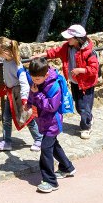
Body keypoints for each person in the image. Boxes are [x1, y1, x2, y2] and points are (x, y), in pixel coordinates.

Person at [27, 58, 75, 193]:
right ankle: (67, 167)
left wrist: (37, 95)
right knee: (53, 146)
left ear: (46, 75)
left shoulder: (54, 86)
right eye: (33, 78)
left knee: (46, 148)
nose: (34, 81)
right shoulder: (37, 80)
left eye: (37, 79)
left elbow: (52, 106)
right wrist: (29, 103)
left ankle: (50, 181)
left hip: (53, 122)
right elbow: (33, 92)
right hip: (43, 120)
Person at [44, 23, 99, 133]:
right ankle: (89, 117)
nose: (67, 39)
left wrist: (80, 70)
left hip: (86, 84)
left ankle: (86, 128)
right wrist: (40, 55)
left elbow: (94, 69)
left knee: (84, 107)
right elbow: (55, 52)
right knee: (79, 105)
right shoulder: (67, 47)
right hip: (75, 82)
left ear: (77, 39)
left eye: (69, 37)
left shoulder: (89, 52)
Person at [0, 36, 36, 151]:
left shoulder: (17, 65)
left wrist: (25, 99)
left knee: (26, 117)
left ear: (6, 52)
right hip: (10, 94)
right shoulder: (6, 59)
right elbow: (1, 60)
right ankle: (7, 142)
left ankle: (39, 138)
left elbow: (24, 83)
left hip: (20, 94)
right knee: (6, 117)